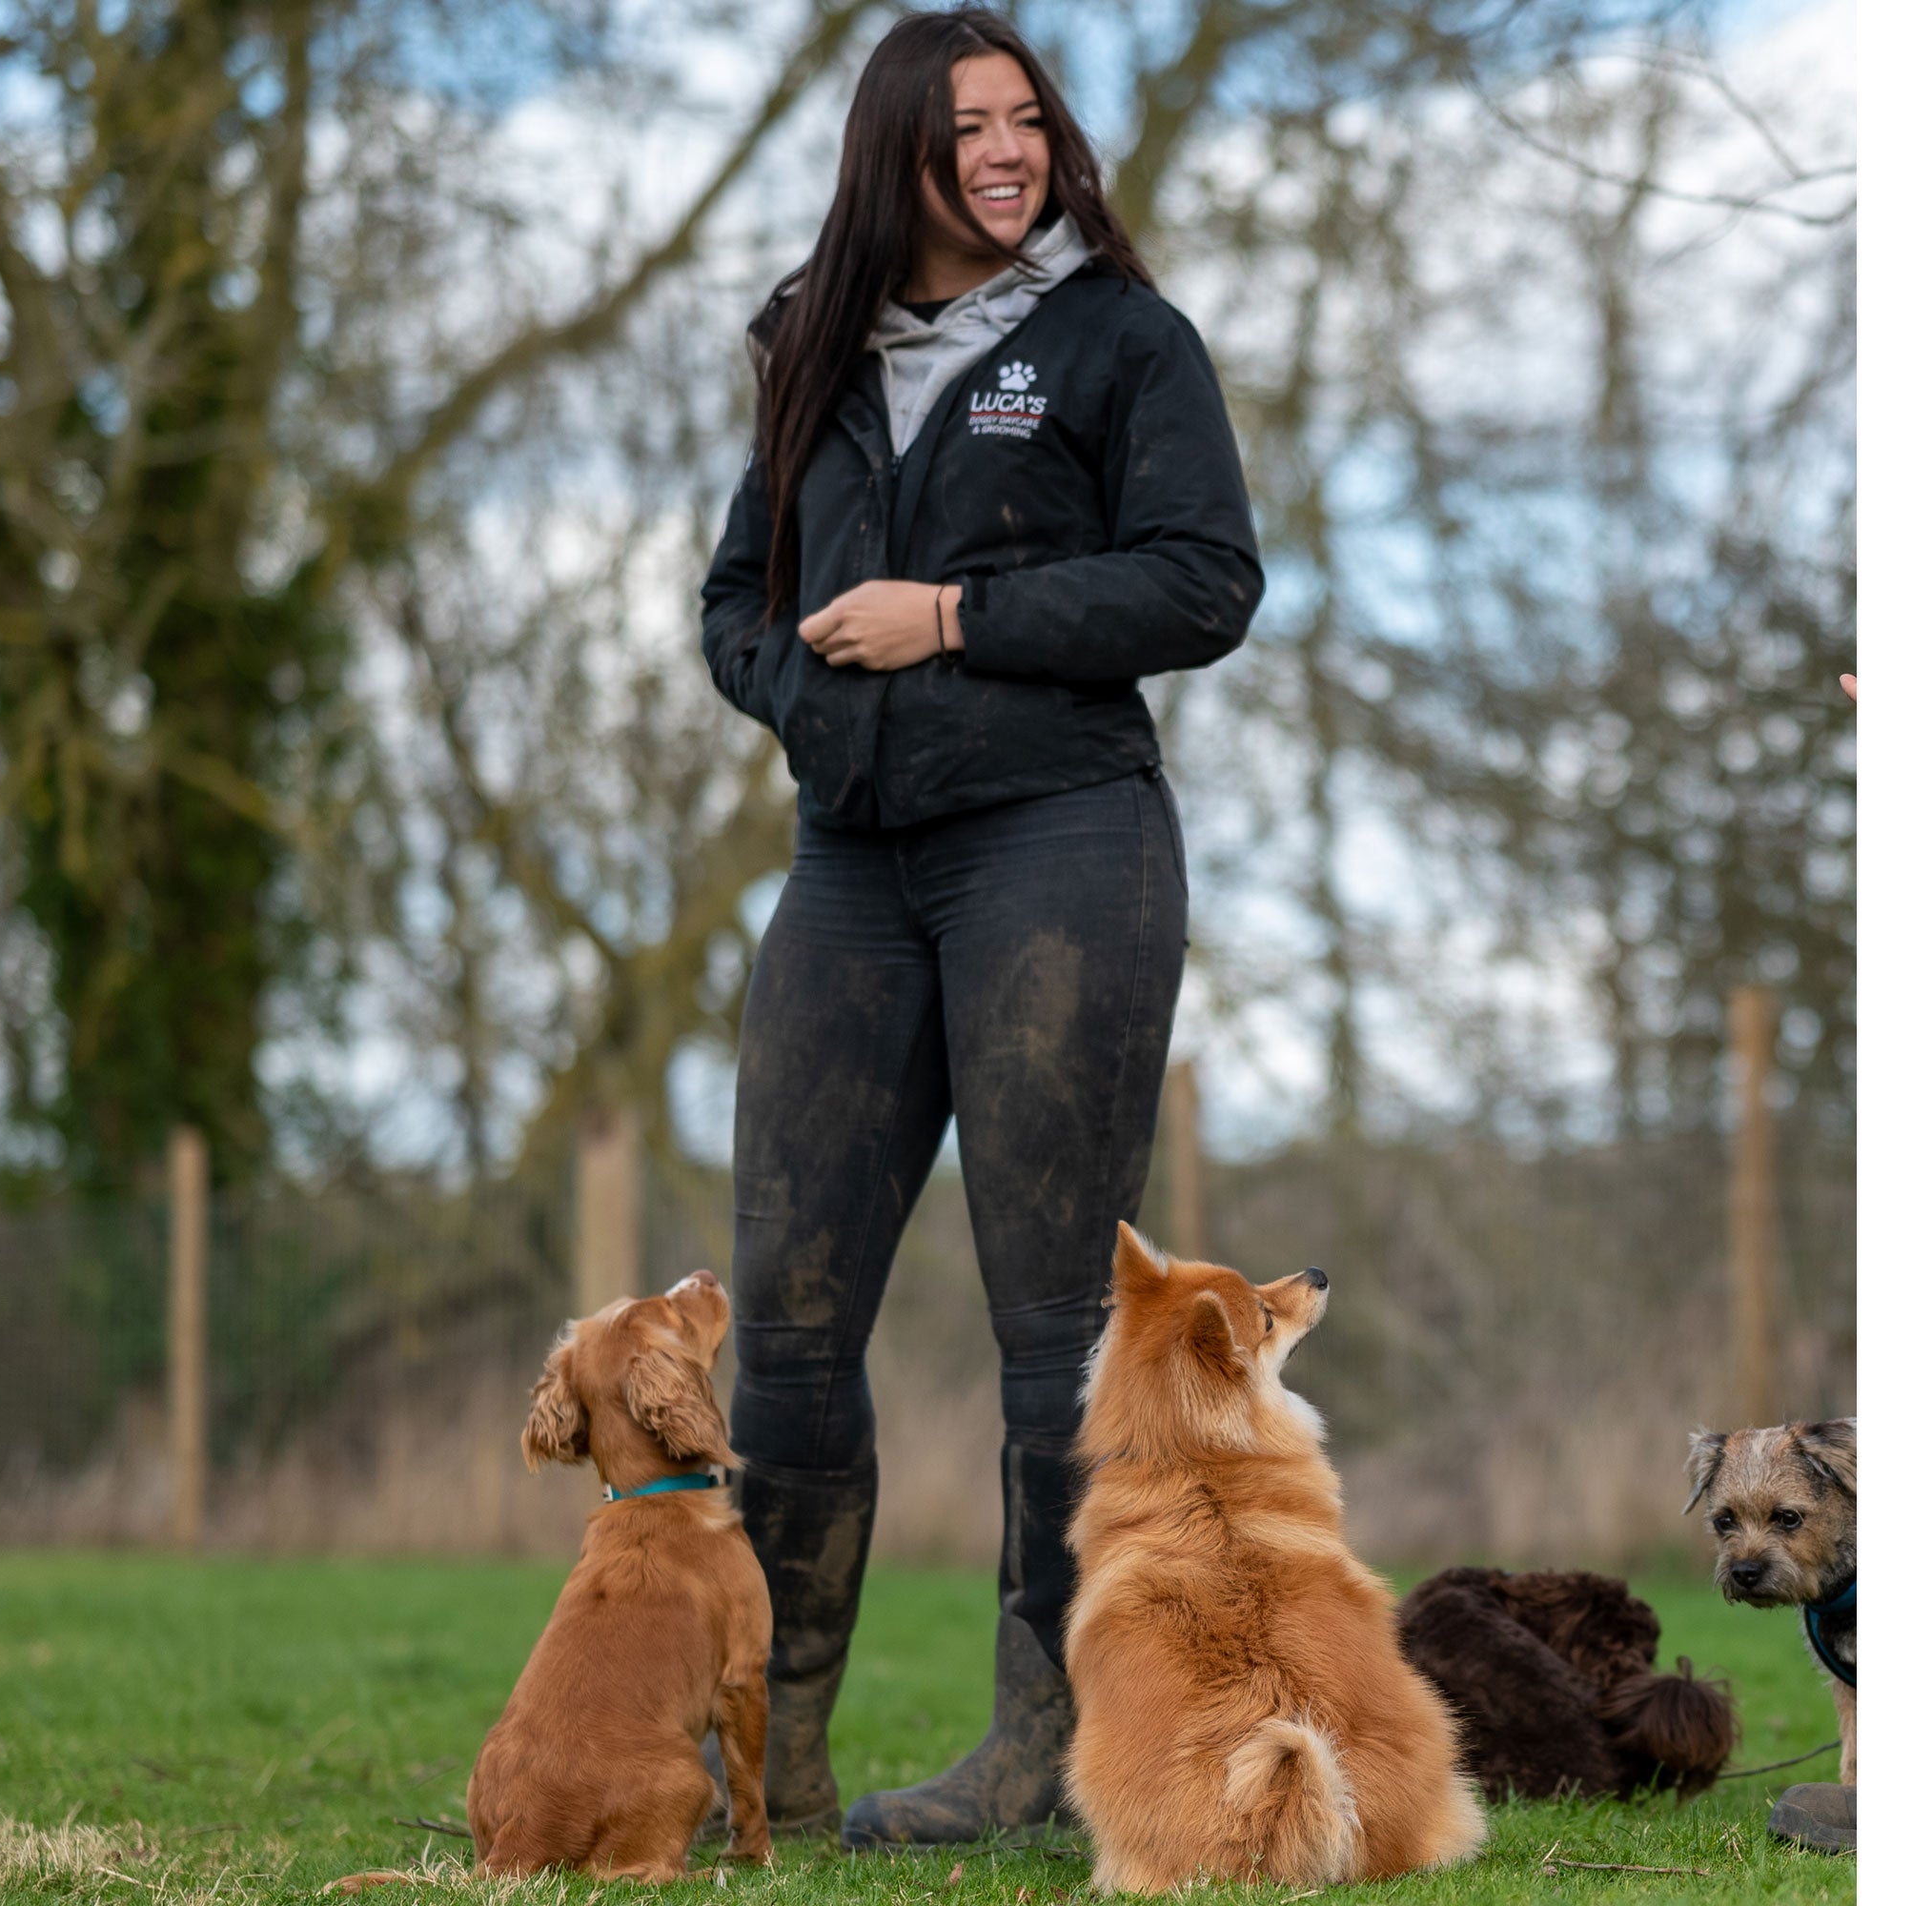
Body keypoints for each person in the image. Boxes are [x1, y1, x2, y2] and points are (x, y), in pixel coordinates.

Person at [697, 4, 1263, 1853]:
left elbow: (1204, 581)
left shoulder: (1120, 339)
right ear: (896, 155)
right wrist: (808, 692)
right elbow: (738, 596)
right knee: (780, 1326)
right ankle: (760, 1749)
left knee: (1051, 1339)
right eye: (968, 128)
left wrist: (948, 621)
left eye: (1028, 120)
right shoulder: (811, 343)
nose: (1008, 151)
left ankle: (1045, 1751)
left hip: (1062, 845)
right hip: (853, 866)